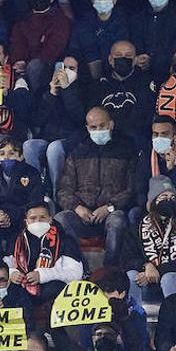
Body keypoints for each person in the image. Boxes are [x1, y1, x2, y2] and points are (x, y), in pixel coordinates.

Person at [55, 107, 132, 266]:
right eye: (93, 127)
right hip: (82, 214)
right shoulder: (78, 152)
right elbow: (63, 189)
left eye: (102, 126)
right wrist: (77, 207)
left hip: (110, 213)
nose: (98, 130)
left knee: (117, 221)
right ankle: (80, 267)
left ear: (111, 125)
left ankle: (110, 270)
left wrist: (109, 207)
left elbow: (132, 189)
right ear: (87, 128)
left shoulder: (125, 150)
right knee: (61, 219)